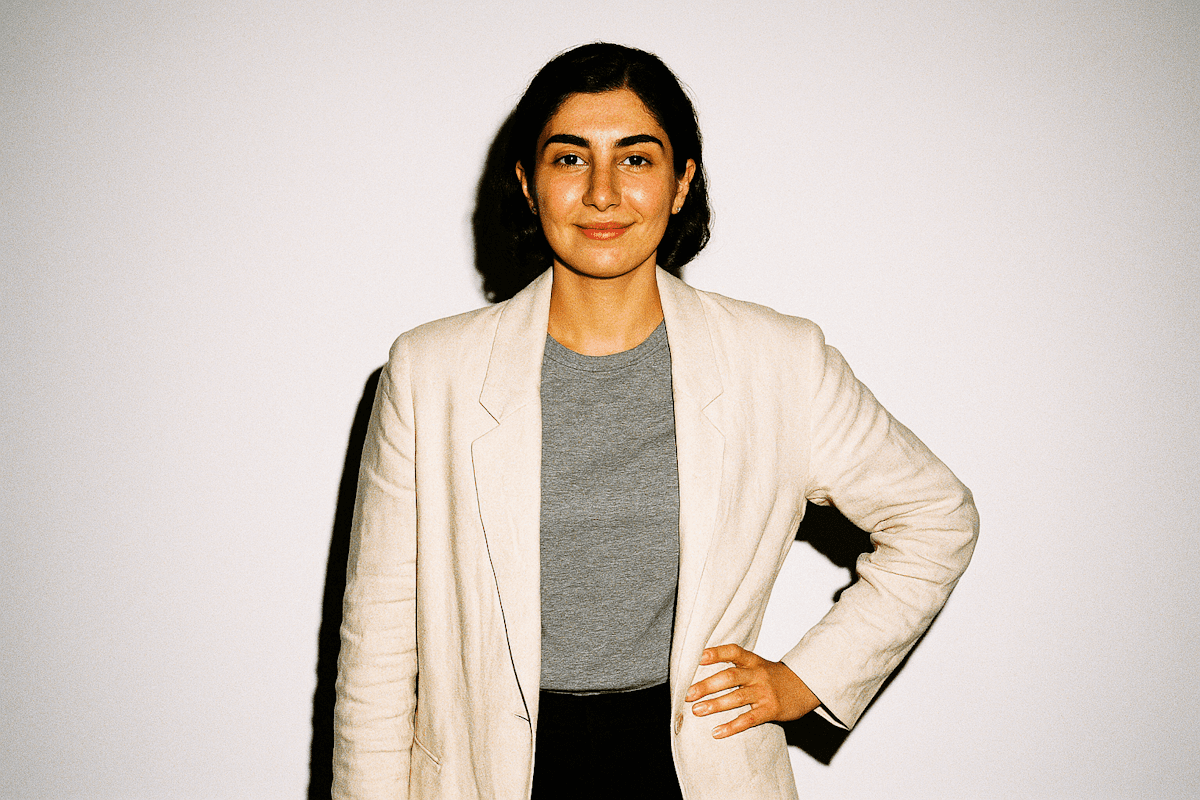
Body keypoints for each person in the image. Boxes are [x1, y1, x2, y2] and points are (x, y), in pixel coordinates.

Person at [333, 43, 978, 800]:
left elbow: (937, 516)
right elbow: (376, 654)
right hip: (489, 778)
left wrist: (804, 681)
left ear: (681, 183)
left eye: (636, 160)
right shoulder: (429, 372)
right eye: (570, 160)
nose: (603, 193)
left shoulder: (778, 362)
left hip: (694, 775)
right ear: (527, 181)